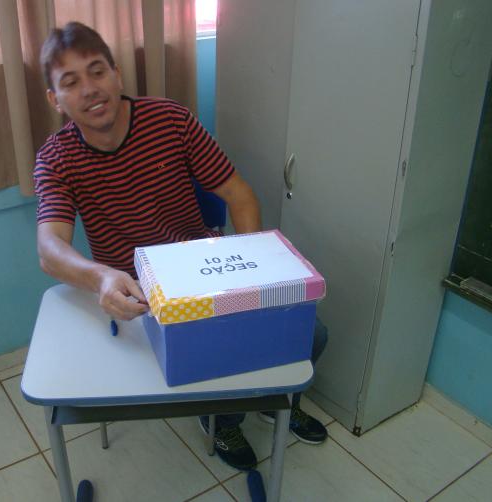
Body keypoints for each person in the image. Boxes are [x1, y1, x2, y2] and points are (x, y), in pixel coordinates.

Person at [34, 21, 327, 472]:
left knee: (312, 334)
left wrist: (251, 273)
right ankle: (225, 418)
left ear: (117, 74)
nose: (90, 89)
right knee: (202, 354)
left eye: (97, 72)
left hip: (202, 270)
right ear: (55, 99)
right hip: (137, 294)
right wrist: (101, 277)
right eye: (71, 82)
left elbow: (240, 196)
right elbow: (49, 249)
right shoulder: (56, 157)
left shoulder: (170, 120)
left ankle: (268, 402)